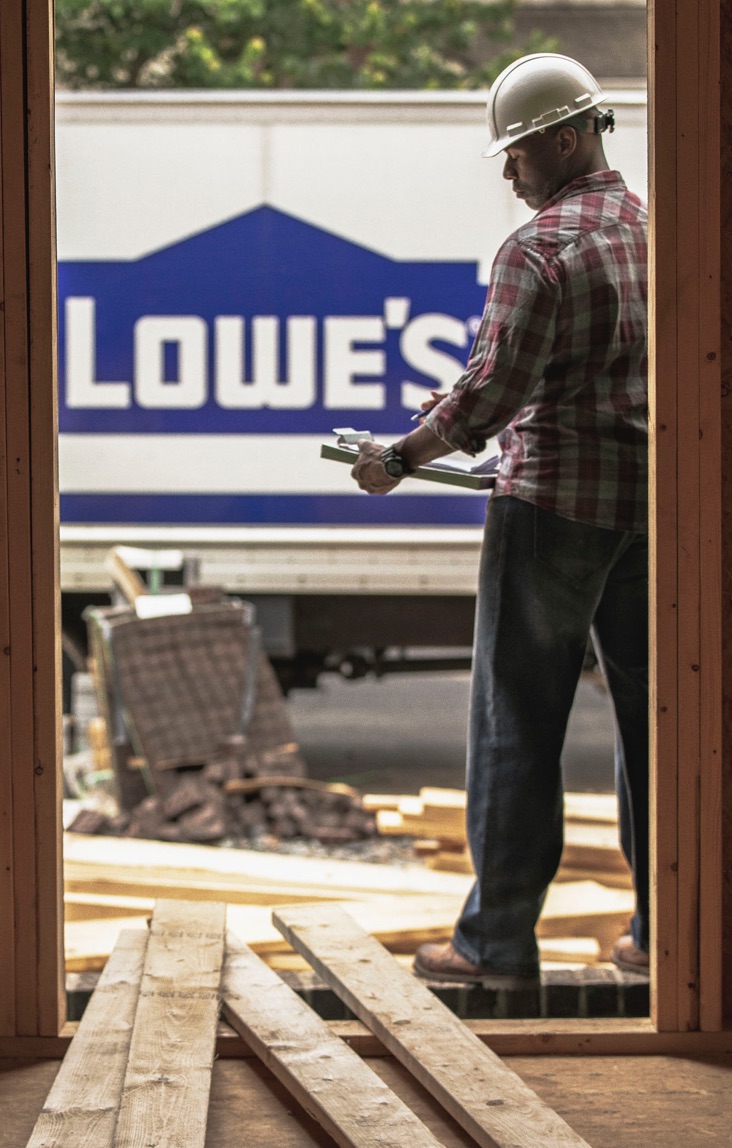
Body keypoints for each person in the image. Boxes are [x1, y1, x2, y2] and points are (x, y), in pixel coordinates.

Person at [350, 53, 649, 985]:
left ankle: (495, 947)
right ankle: (664, 938)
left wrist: (398, 456)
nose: (510, 172)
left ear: (566, 139)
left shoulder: (538, 249)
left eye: (517, 151)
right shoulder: (659, 230)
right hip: (651, 511)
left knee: (516, 724)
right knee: (657, 723)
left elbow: (490, 398)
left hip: (551, 510)